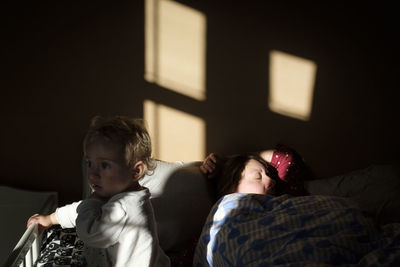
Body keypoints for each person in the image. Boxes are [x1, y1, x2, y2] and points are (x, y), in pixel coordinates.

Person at [27, 116, 170, 267]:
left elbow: (88, 231)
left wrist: (92, 200)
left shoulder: (125, 208)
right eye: (90, 163)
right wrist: (51, 219)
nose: (92, 174)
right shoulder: (120, 195)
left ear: (136, 171)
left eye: (105, 165)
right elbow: (84, 209)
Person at [199, 144, 310, 198]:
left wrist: (228, 159)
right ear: (231, 189)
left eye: (268, 174)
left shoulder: (284, 201)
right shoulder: (221, 215)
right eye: (258, 176)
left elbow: (287, 157)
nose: (272, 180)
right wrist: (226, 165)